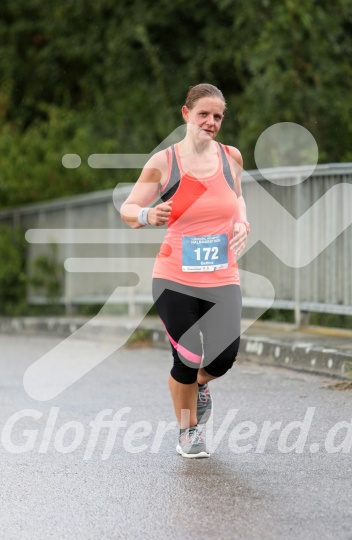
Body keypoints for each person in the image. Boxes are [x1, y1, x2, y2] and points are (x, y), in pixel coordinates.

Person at [120, 83, 249, 458]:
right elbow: (129, 209)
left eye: (218, 116)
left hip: (222, 274)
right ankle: (188, 431)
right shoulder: (165, 162)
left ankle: (197, 386)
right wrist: (148, 214)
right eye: (203, 114)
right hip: (174, 276)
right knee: (188, 355)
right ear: (186, 114)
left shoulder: (231, 158)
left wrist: (242, 224)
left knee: (223, 357)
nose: (211, 122)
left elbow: (238, 196)